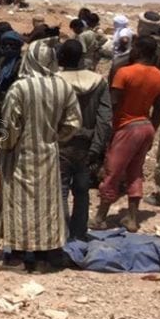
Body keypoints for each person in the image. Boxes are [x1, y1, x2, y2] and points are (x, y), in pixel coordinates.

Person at [0, 39, 82, 271]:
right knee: (46, 205)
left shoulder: (19, 88)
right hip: (49, 155)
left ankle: (18, 256)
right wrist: (54, 138)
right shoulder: (63, 87)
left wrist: (7, 145)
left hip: (20, 156)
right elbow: (73, 123)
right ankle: (43, 257)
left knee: (19, 204)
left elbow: (10, 125)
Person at [92, 36, 160, 232]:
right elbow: (159, 109)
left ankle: (100, 218)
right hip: (146, 127)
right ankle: (132, 219)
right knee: (135, 172)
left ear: (137, 50)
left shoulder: (124, 72)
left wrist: (109, 131)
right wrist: (152, 130)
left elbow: (113, 104)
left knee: (112, 173)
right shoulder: (159, 76)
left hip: (126, 128)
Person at [56, 39, 111, 240]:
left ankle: (61, 235)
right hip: (87, 144)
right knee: (82, 191)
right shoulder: (98, 82)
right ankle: (79, 234)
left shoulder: (55, 81)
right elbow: (105, 119)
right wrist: (97, 147)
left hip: (60, 143)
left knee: (60, 190)